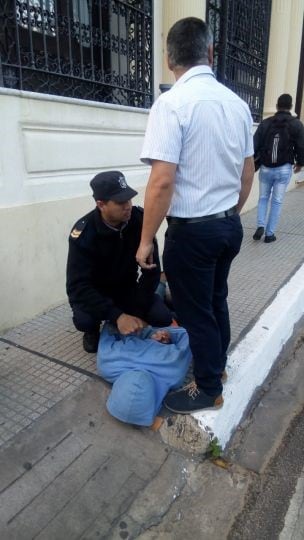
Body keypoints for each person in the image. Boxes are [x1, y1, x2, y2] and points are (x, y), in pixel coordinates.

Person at [136, 17, 255, 414]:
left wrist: (144, 239)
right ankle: (217, 369)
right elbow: (246, 173)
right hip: (228, 225)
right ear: (210, 53)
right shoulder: (238, 106)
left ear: (170, 60)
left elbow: (161, 183)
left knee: (195, 311)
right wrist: (228, 215)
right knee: (215, 299)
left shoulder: (171, 105)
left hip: (193, 233)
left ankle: (206, 388)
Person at [66, 170, 172, 353]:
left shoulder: (140, 221)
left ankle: (162, 291)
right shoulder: (84, 234)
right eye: (121, 202)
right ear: (101, 204)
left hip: (126, 289)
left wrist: (136, 312)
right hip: (96, 293)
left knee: (161, 317)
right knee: (84, 320)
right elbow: (77, 287)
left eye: (129, 199)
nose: (128, 206)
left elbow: (151, 271)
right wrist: (118, 316)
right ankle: (92, 331)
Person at [97, 323, 192, 426]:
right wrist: (165, 333)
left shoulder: (174, 372)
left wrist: (161, 333)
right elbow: (109, 327)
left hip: (139, 320)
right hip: (153, 320)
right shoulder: (108, 365)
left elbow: (187, 335)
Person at [253, 94, 304, 243]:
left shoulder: (265, 123)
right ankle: (269, 234)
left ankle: (260, 225)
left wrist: (254, 163)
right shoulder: (296, 124)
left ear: (277, 106)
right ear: (290, 107)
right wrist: (300, 163)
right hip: (284, 167)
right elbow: (301, 146)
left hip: (266, 167)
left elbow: (254, 145)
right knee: (277, 201)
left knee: (263, 198)